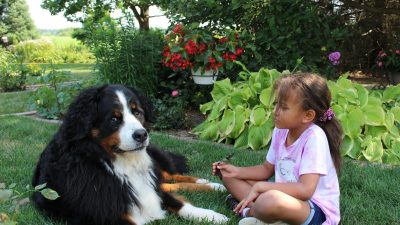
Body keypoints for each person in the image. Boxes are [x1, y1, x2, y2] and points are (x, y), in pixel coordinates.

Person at [212, 73, 343, 225]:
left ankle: (248, 211)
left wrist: (262, 187)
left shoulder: (314, 137)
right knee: (228, 176)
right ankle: (265, 214)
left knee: (270, 200)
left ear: (307, 115)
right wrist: (236, 171)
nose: (275, 111)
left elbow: (306, 190)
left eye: (283, 107)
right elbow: (266, 169)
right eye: (276, 104)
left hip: (314, 210)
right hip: (286, 199)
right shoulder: (281, 130)